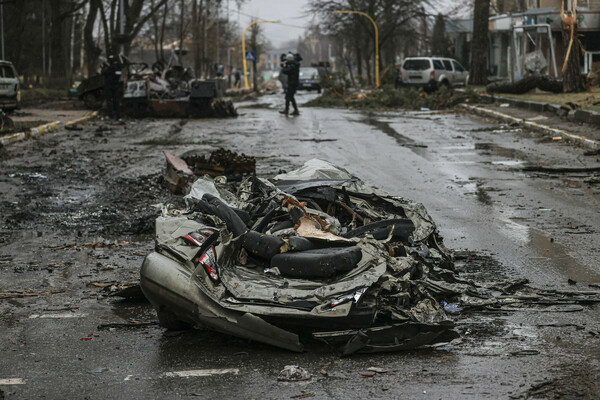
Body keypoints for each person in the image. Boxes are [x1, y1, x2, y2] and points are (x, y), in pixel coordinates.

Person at [101, 55, 123, 120]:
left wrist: (103, 67)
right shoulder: (118, 67)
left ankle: (111, 115)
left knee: (109, 101)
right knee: (116, 101)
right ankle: (118, 115)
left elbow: (104, 72)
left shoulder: (111, 68)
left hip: (109, 86)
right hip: (116, 85)